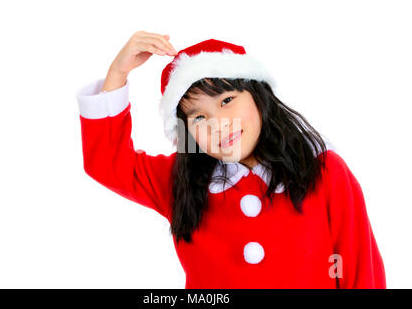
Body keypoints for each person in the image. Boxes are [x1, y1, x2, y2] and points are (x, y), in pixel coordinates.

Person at [75, 30, 386, 288]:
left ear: (259, 97)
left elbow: (360, 270)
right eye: (198, 117)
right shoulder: (180, 180)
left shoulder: (323, 169)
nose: (218, 123)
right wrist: (118, 73)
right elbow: (108, 162)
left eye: (227, 100)